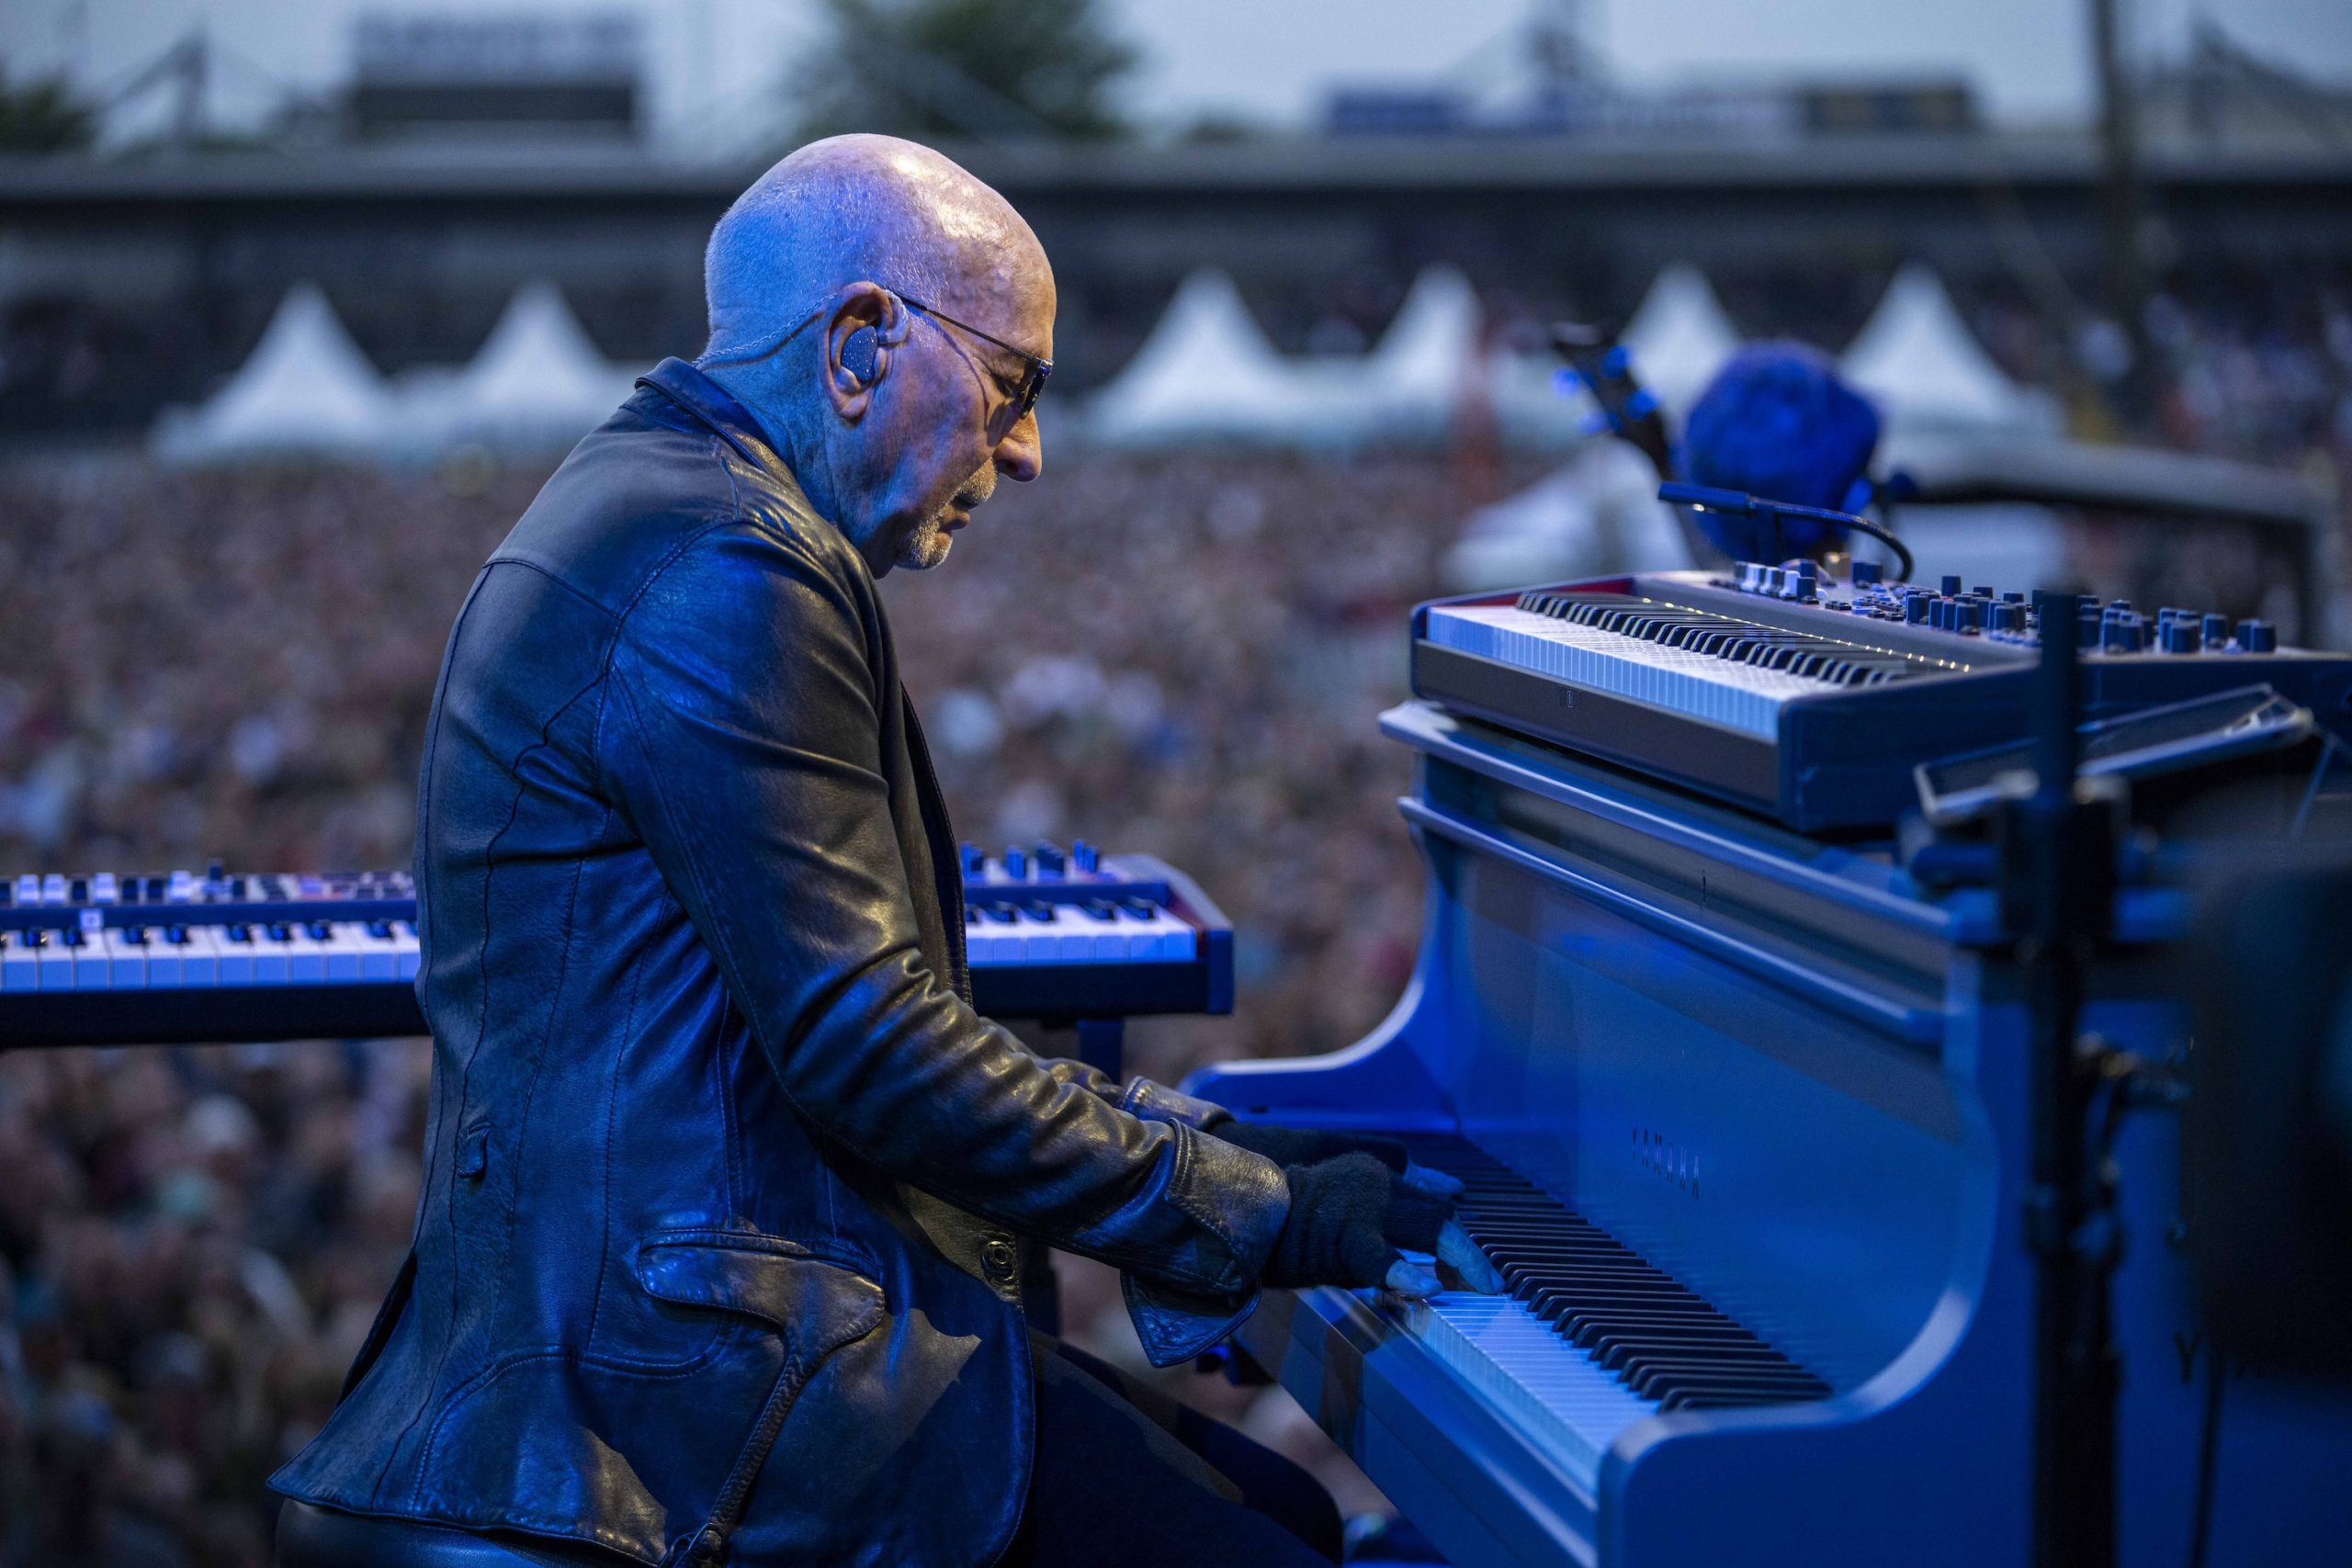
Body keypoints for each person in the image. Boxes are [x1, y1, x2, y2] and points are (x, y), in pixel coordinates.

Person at [267, 134, 1497, 1568]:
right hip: (681, 1374)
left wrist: (1209, 1148)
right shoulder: (725, 566)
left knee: (1280, 1505)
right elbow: (869, 1043)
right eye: (1014, 386)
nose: (1028, 452)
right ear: (860, 345)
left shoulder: (659, 501)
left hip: (651, 1307)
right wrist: (1246, 1207)